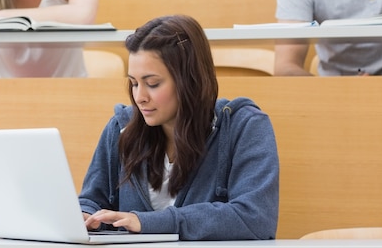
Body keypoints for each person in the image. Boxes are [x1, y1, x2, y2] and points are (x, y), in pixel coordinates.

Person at [79, 15, 279, 240]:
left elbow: (256, 218)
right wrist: (84, 217)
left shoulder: (245, 126)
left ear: (189, 80)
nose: (139, 97)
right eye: (134, 83)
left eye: (152, 84)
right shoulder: (120, 127)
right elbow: (92, 201)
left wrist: (148, 223)